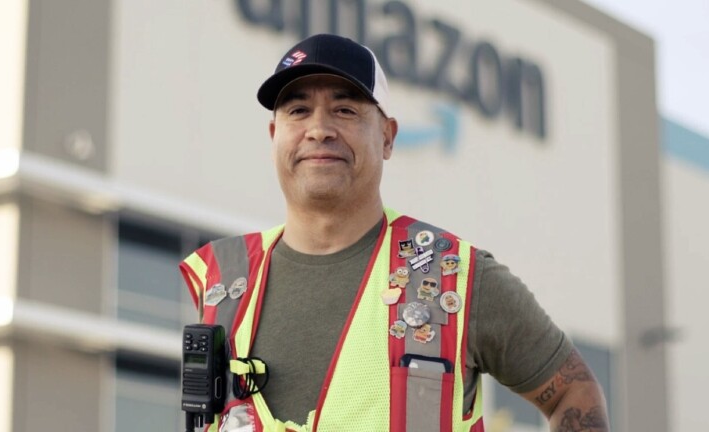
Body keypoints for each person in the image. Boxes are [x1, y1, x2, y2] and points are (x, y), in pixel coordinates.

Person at [180, 33, 609, 432]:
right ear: (275, 136)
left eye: (345, 109)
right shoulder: (226, 280)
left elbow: (575, 391)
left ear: (387, 136)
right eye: (297, 110)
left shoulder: (455, 277)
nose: (318, 129)